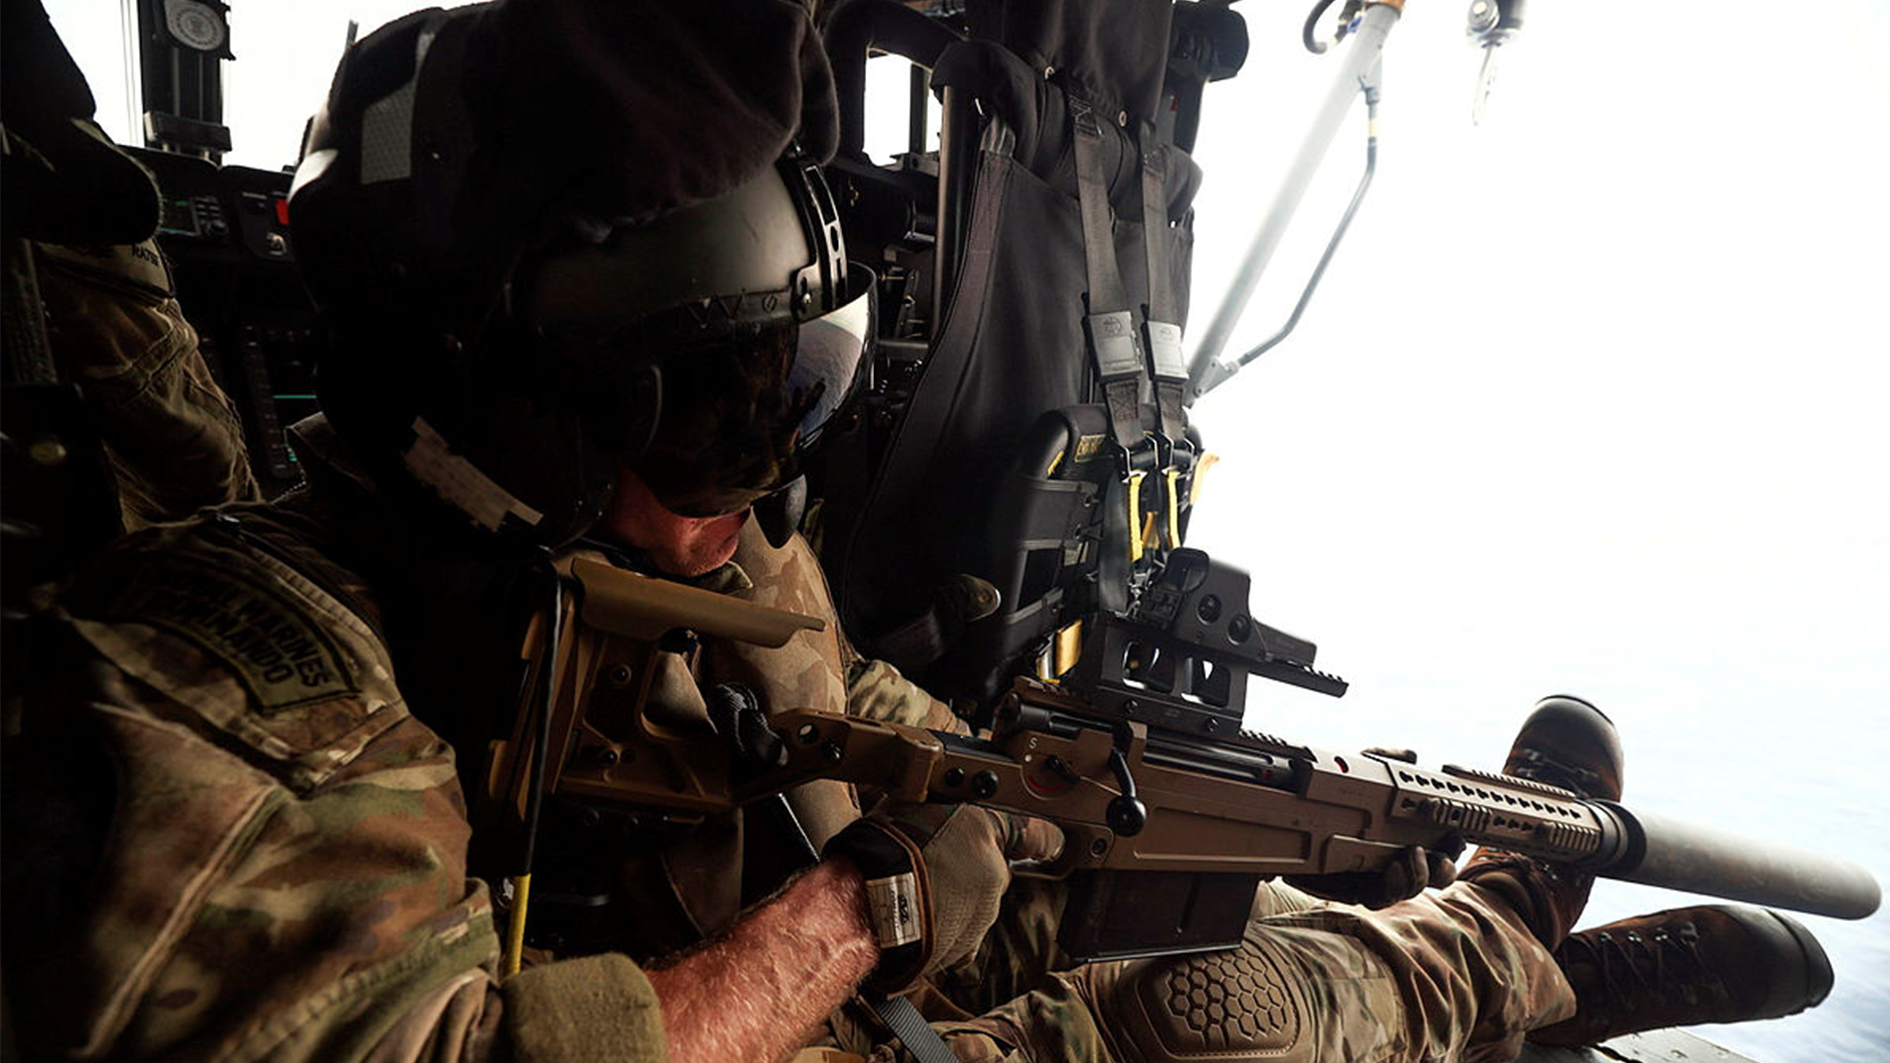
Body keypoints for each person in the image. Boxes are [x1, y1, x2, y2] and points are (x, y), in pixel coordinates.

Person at [0, 2, 1832, 1062]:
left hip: (720, 928)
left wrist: (983, 798)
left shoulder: (664, 537)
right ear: (498, 395)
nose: (759, 465)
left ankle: (1482, 909)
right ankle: (1504, 958)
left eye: (793, 384)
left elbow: (843, 704)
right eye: (712, 403)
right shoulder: (222, 677)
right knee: (1226, 1017)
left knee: (1224, 882)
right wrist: (852, 914)